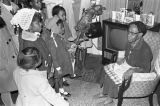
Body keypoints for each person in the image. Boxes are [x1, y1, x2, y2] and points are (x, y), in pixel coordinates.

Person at [101, 21, 153, 105]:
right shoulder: (130, 41)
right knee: (108, 69)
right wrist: (120, 58)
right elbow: (124, 51)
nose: (129, 35)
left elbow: (146, 69)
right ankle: (105, 92)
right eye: (128, 31)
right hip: (126, 64)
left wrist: (132, 70)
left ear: (140, 35)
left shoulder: (145, 50)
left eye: (132, 33)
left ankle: (110, 97)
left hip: (135, 70)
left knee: (114, 76)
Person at [11, 8, 52, 80]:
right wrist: (45, 72)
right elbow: (32, 64)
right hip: (39, 74)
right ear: (29, 26)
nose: (41, 24)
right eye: (37, 23)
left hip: (45, 70)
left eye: (40, 22)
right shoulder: (29, 43)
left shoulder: (34, 36)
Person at [46, 16, 72, 97]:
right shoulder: (51, 40)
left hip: (61, 62)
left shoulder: (58, 37)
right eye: (61, 27)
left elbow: (63, 47)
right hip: (56, 65)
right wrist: (57, 67)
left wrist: (70, 47)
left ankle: (61, 90)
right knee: (57, 79)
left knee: (61, 77)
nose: (63, 29)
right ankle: (57, 95)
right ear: (55, 28)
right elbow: (53, 56)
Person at [0, 17, 18, 106]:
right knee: (5, 89)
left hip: (11, 58)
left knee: (14, 86)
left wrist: (16, 52)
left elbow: (9, 39)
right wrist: (3, 64)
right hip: (4, 63)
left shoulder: (1, 21)